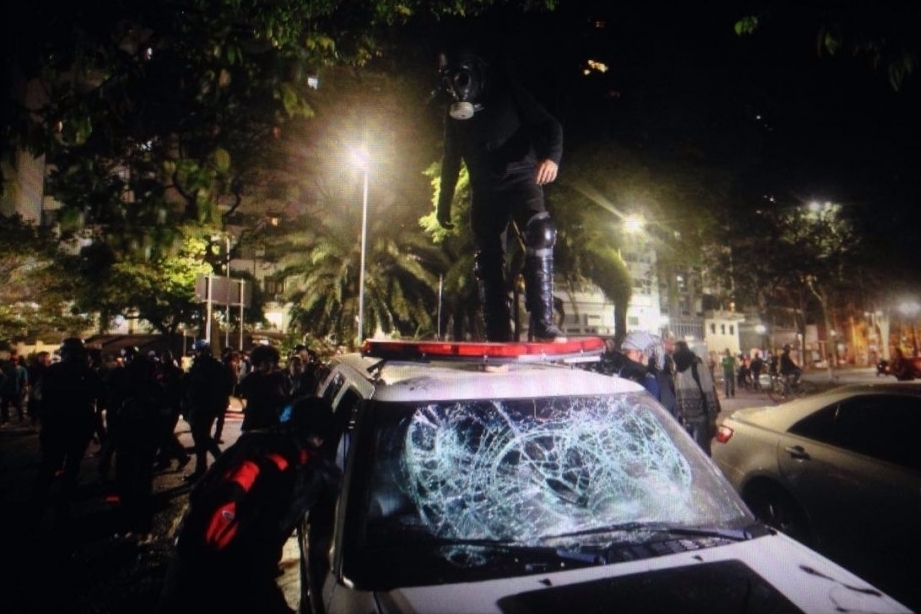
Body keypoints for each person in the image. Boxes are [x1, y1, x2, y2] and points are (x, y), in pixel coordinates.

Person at [156, 395, 340, 614]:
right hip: (236, 576)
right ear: (323, 434)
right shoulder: (312, 470)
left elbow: (201, 491)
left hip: (188, 561)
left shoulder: (253, 440)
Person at [436, 41, 565, 342]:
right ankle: (498, 333)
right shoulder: (453, 118)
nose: (457, 87)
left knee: (541, 231)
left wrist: (553, 158)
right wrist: (443, 202)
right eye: (450, 80)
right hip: (485, 190)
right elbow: (450, 161)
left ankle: (544, 323)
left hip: (521, 179)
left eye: (462, 77)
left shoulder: (507, 93)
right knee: (488, 260)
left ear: (477, 72)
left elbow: (551, 124)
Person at [28, 338, 107, 530]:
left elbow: (37, 397)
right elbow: (102, 397)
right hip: (78, 427)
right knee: (71, 467)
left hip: (56, 426)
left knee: (48, 467)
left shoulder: (52, 372)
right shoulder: (87, 373)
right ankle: (62, 508)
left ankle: (36, 509)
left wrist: (39, 415)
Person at [183, 340, 236, 482]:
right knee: (200, 438)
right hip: (196, 406)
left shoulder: (214, 367)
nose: (197, 354)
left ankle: (218, 462)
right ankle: (207, 467)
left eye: (199, 351)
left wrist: (217, 405)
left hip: (207, 407)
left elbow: (224, 386)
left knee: (202, 437)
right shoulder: (197, 365)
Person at [672, 341, 721, 456]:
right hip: (693, 419)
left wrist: (711, 417)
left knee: (696, 455)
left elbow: (708, 392)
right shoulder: (685, 369)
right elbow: (708, 393)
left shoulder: (688, 368)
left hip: (693, 419)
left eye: (675, 350)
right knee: (697, 455)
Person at [237, 344, 290, 432]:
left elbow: (284, 396)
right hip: (253, 421)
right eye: (265, 361)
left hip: (272, 422)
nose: (269, 364)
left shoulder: (279, 377)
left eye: (271, 361)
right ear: (258, 362)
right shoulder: (251, 378)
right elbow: (239, 393)